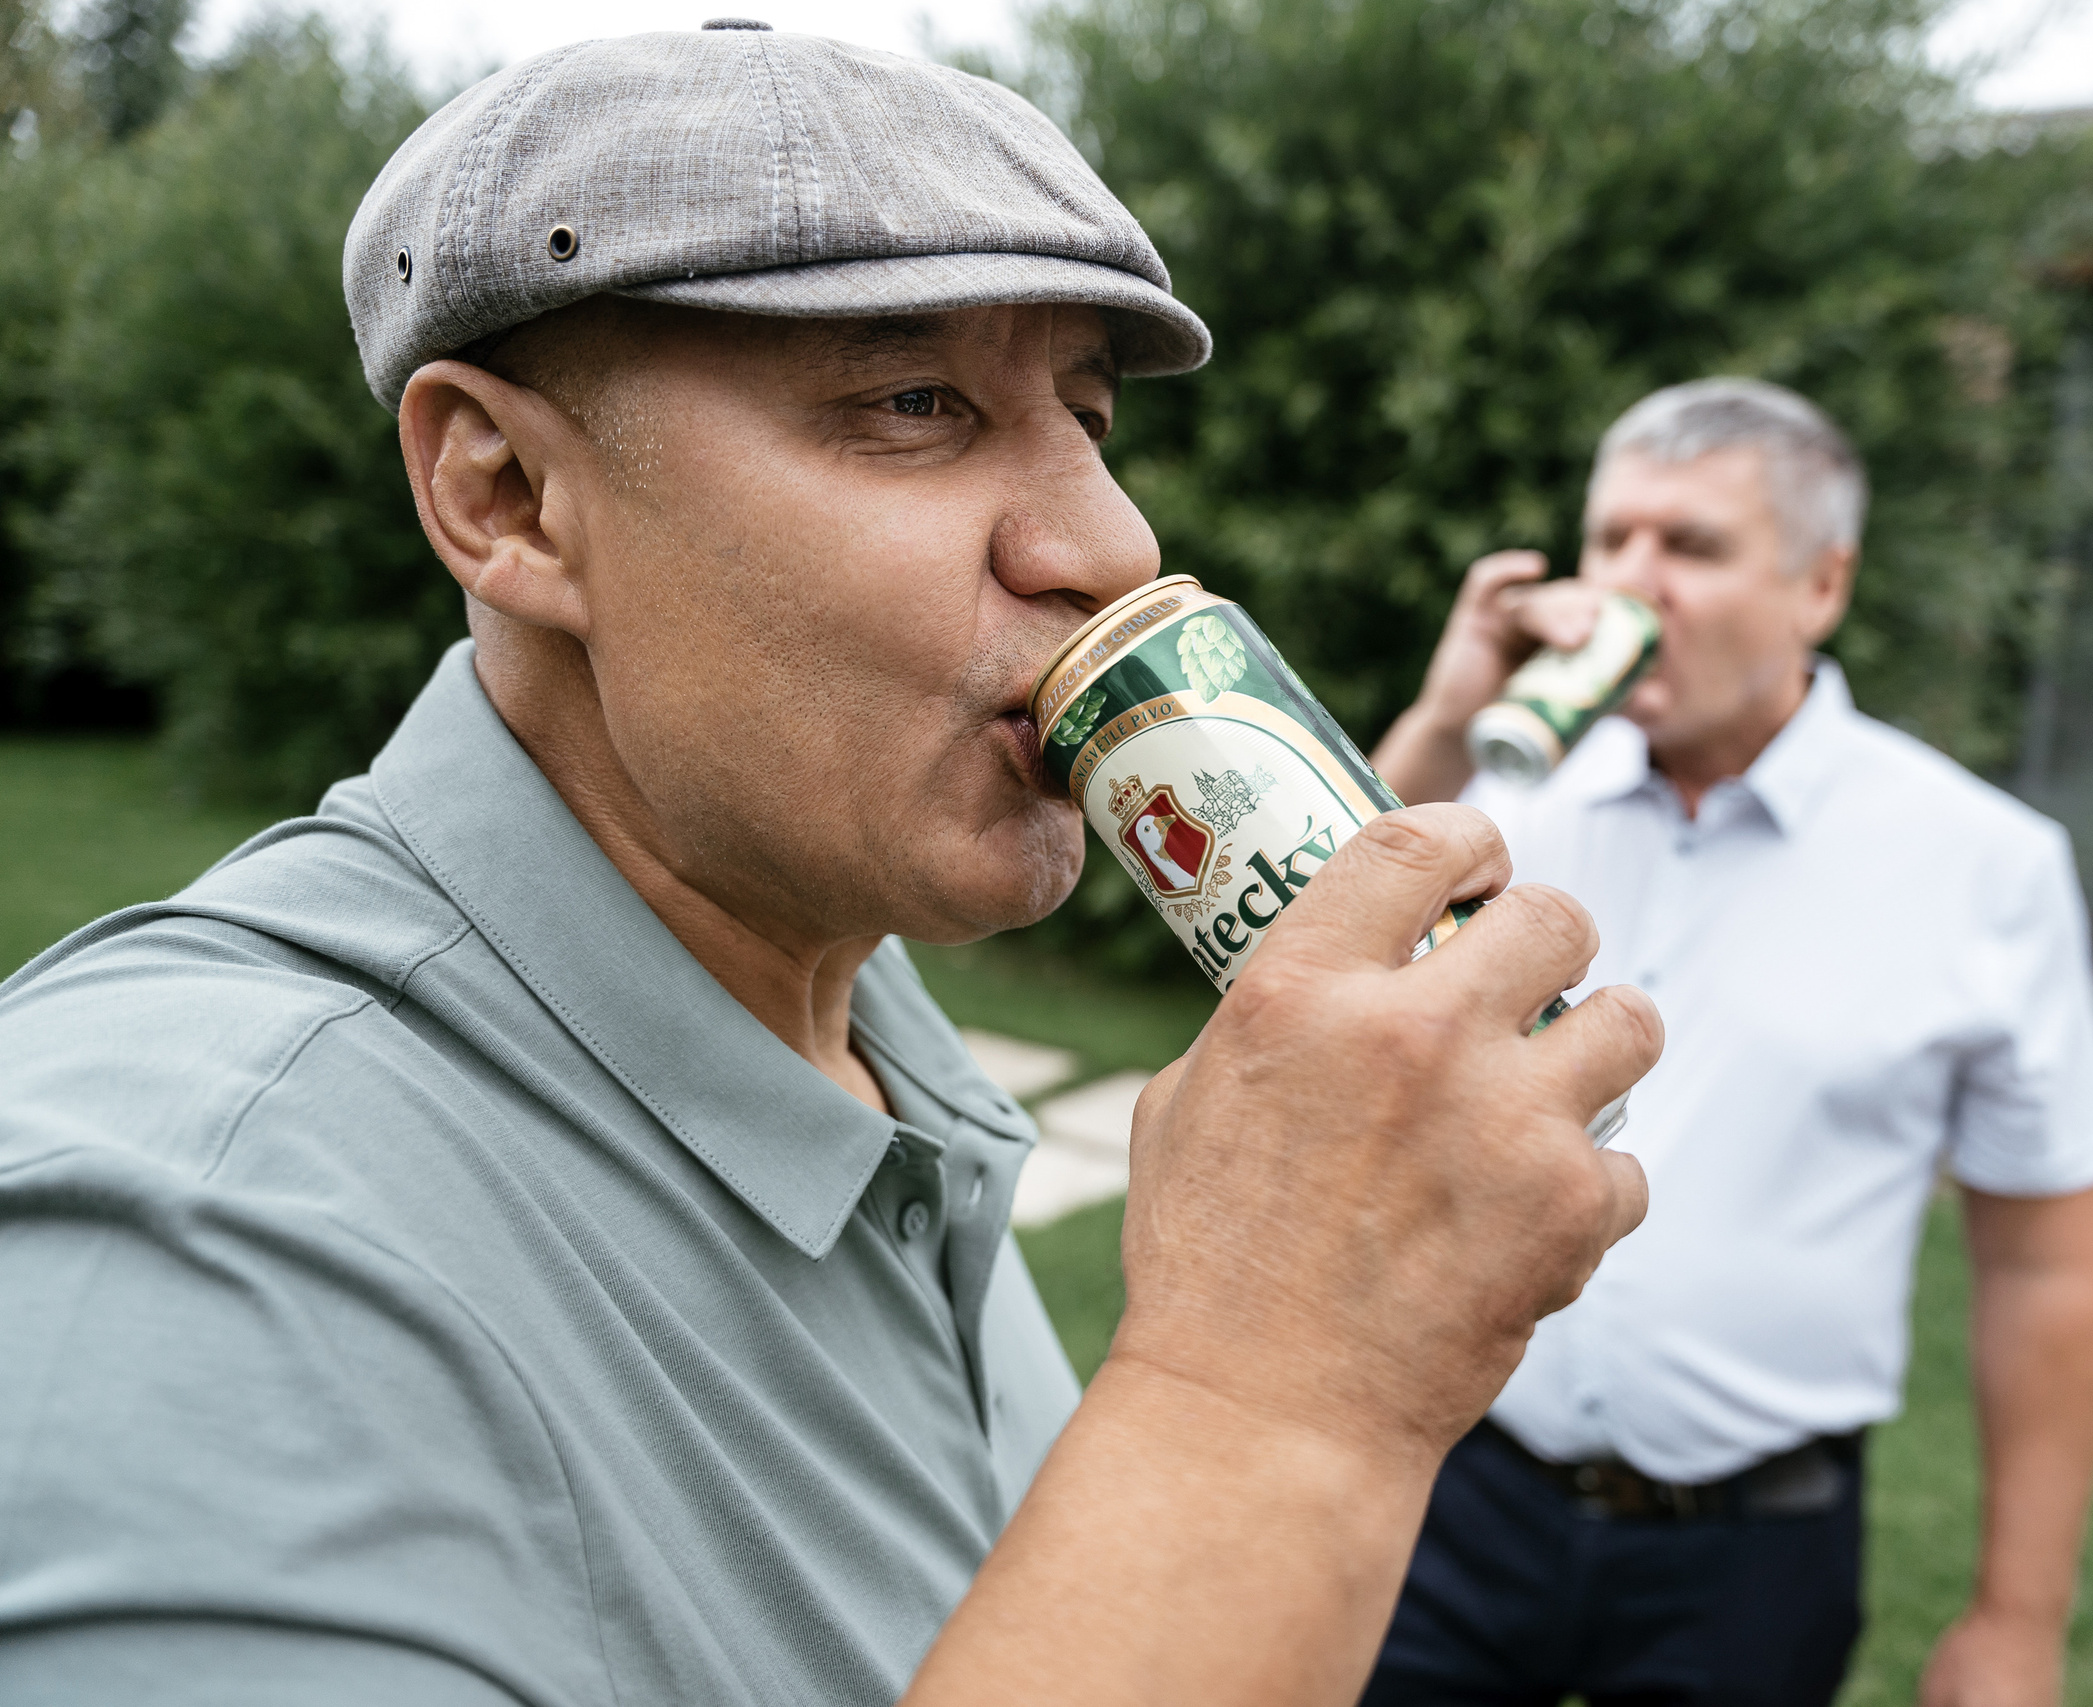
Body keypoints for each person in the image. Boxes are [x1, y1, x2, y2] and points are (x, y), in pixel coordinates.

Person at [0, 28, 1661, 1706]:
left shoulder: (862, 1025)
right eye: (912, 403)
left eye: (1085, 412)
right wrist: (1269, 1399)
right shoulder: (192, 1233)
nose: (1108, 545)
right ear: (504, 496)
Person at [1367, 379, 2093, 1707]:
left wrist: (2019, 1618)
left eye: (1693, 547)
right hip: (1453, 1485)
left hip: (1750, 1554)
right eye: (1611, 543)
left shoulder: (1982, 865)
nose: (1631, 585)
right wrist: (1443, 720)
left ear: (1819, 587)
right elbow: (1324, 955)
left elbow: (2043, 1269)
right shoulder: (1503, 796)